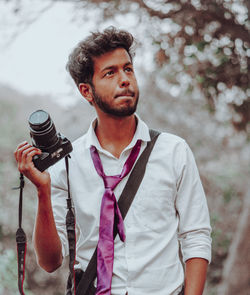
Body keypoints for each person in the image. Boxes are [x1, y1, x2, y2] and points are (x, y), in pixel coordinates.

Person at [14, 27, 212, 295]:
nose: (125, 80)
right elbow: (50, 263)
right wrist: (42, 191)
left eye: (128, 69)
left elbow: (196, 237)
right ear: (87, 91)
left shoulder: (174, 151)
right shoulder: (68, 164)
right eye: (110, 73)